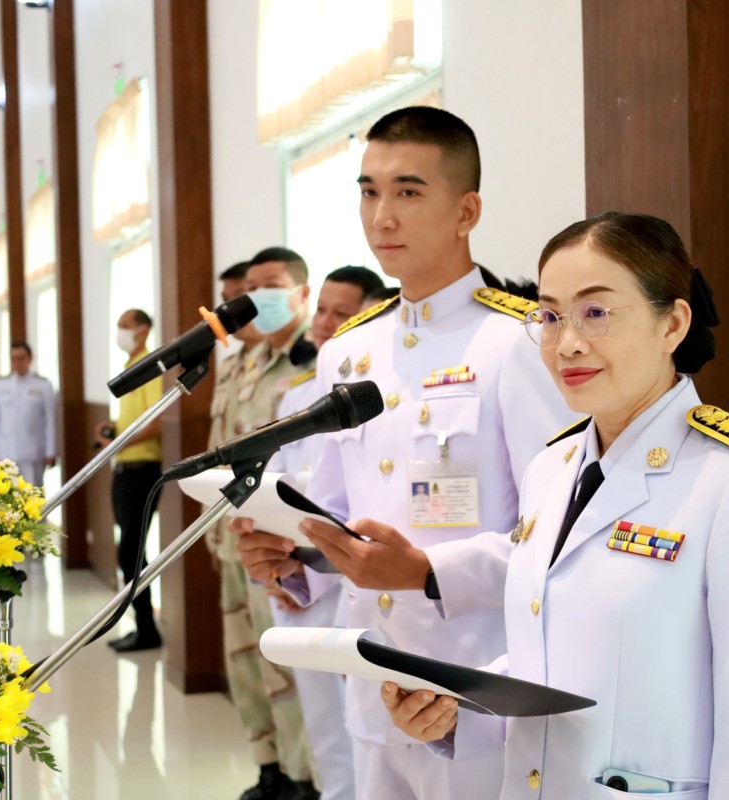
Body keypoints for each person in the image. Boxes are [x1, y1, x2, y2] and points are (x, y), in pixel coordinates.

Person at [348, 212, 729, 799]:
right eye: (549, 317)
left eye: (596, 313)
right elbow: (547, 652)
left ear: (672, 324)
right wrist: (456, 708)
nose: (566, 343)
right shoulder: (551, 470)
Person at [232, 106, 574, 800]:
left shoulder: (516, 344)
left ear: (466, 211)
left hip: (478, 695)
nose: (381, 216)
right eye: (369, 191)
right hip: (373, 685)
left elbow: (560, 537)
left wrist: (425, 571)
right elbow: (329, 511)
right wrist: (293, 561)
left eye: (408, 191)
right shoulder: (347, 353)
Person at [262, 265, 385, 800]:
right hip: (302, 579)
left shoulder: (382, 394)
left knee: (368, 730)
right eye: (321, 310)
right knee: (325, 724)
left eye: (342, 313)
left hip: (360, 578)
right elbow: (276, 484)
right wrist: (281, 570)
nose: (324, 322)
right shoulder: (295, 398)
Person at [216, 247, 326, 800]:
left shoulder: (315, 361)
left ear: (302, 292)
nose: (258, 297)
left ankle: (302, 778)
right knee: (246, 662)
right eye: (250, 287)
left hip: (281, 543)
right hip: (233, 537)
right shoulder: (246, 362)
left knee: (287, 664)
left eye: (272, 285)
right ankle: (270, 766)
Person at [96, 309, 164, 653]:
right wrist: (114, 431)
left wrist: (121, 442)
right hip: (123, 470)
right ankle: (141, 625)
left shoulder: (151, 367)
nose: (120, 332)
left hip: (143, 471)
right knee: (128, 551)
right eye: (118, 325)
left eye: (126, 326)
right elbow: (135, 420)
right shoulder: (131, 367)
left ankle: (147, 629)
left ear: (144, 329)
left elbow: (156, 422)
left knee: (132, 552)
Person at [0, 341, 56, 486]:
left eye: (21, 358)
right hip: (6, 452)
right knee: (7, 493)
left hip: (33, 452)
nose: (17, 363)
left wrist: (51, 451)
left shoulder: (43, 385)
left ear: (30, 358)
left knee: (33, 493)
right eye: (14, 359)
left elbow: (50, 420)